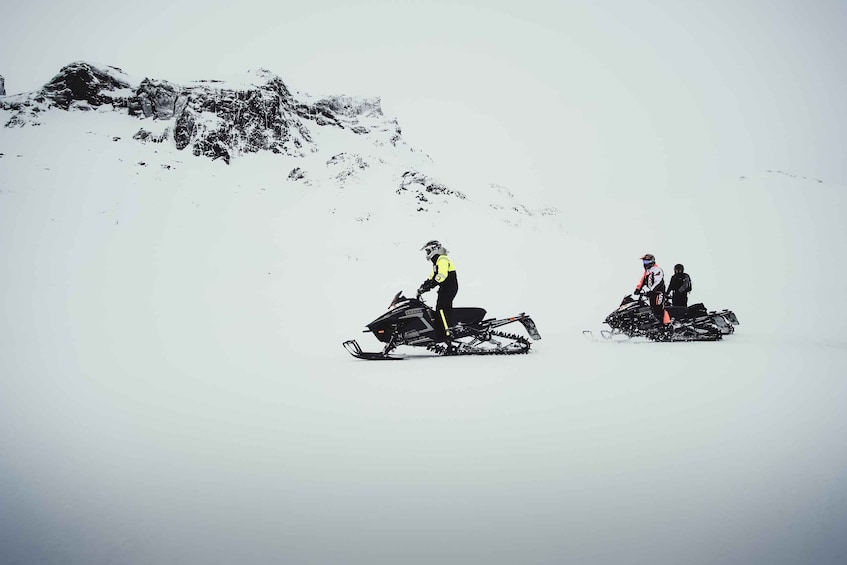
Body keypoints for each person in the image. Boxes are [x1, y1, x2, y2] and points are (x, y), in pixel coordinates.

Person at [418, 240, 458, 339]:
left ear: (434, 249)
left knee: (442, 309)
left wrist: (430, 285)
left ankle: (447, 332)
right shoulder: (437, 261)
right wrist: (424, 286)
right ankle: (441, 329)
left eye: (428, 251)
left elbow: (442, 275)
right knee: (439, 308)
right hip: (445, 288)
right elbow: (433, 276)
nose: (427, 253)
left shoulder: (443, 259)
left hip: (449, 287)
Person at [635, 253, 669, 324]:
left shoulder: (657, 269)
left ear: (651, 261)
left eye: (646, 261)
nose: (644, 263)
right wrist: (638, 289)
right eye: (644, 262)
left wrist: (651, 290)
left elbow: (658, 281)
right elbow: (642, 280)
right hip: (652, 294)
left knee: (658, 308)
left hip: (658, 292)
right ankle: (654, 325)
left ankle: (665, 325)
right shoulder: (647, 271)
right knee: (652, 309)